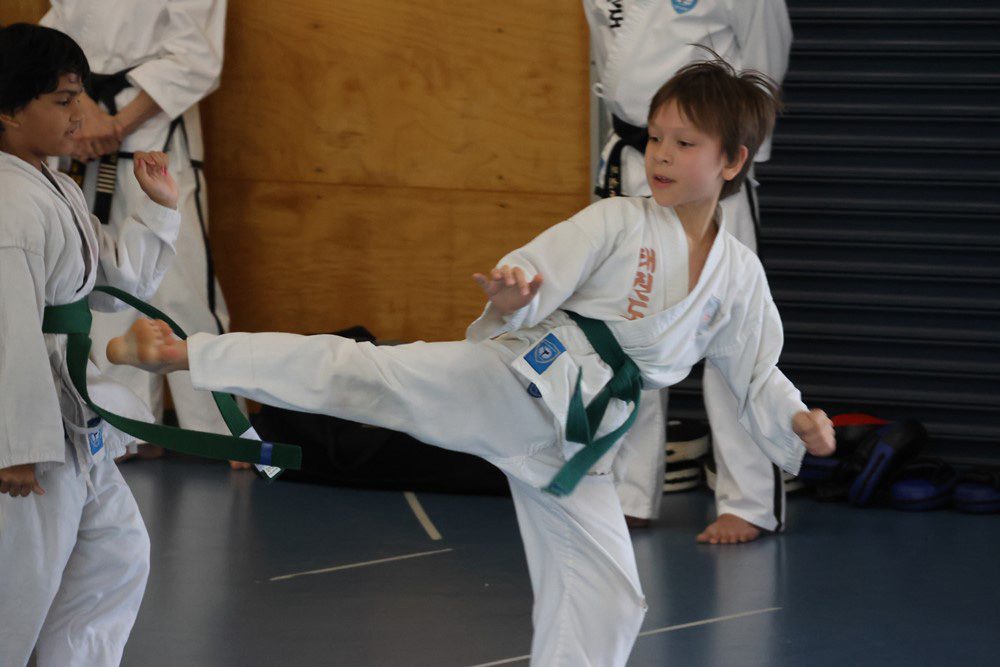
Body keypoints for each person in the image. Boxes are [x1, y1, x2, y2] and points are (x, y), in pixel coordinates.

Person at [108, 58, 835, 666]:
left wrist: (795, 418)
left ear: (733, 160)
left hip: (579, 446)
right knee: (363, 374)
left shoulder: (739, 277)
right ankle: (188, 352)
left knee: (611, 595)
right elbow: (539, 266)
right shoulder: (619, 220)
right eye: (659, 139)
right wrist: (515, 289)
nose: (663, 156)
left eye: (686, 143)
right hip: (519, 385)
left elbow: (756, 369)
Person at [0, 23, 180, 666]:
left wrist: (156, 209)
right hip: (31, 432)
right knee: (19, 589)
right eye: (63, 100)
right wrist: (13, 447)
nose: (82, 116)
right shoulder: (7, 204)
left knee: (116, 555)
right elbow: (7, 330)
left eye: (80, 97)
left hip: (69, 412)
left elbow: (109, 287)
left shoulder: (56, 186)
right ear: (8, 111)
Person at [583, 0, 794, 543]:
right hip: (636, 159)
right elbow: (609, 60)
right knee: (626, 330)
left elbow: (767, 56)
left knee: (732, 332)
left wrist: (734, 164)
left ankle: (748, 501)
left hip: (710, 171)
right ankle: (629, 492)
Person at [38, 0, 243, 466]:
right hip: (79, 125)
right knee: (100, 279)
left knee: (182, 282)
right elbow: (55, 34)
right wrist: (79, 106)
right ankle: (129, 424)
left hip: (153, 125)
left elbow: (198, 57)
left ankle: (217, 426)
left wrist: (114, 124)